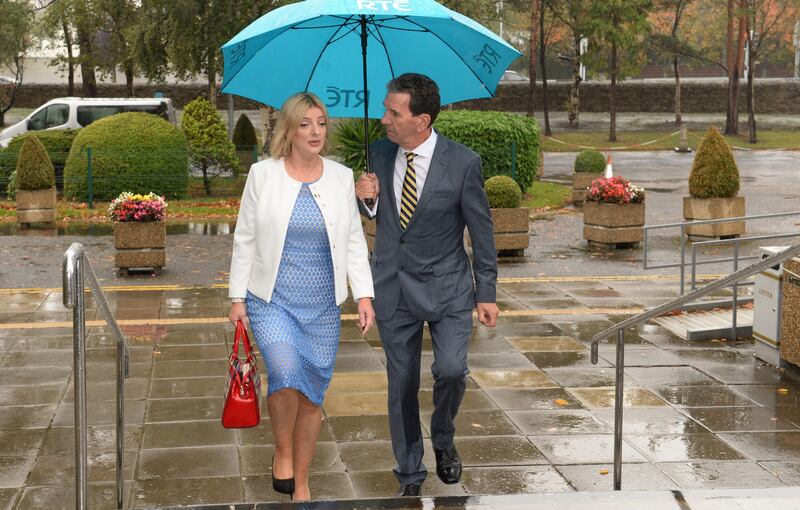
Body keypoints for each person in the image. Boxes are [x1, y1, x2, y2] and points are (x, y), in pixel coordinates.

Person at [355, 73, 499, 497]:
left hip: (449, 287)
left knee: (451, 371)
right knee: (400, 385)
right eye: (384, 109)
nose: (384, 119)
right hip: (393, 287)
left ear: (423, 119)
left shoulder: (463, 162)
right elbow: (372, 216)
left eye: (393, 112)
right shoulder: (377, 155)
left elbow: (482, 232)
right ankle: (410, 473)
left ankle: (443, 437)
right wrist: (366, 198)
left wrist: (486, 292)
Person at [228, 92, 375, 501]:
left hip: (324, 304)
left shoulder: (342, 177)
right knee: (285, 370)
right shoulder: (263, 174)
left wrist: (363, 295)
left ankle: (304, 481)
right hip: (271, 298)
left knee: (312, 393)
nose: (315, 131)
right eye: (306, 123)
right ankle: (281, 448)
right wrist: (237, 299)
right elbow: (245, 238)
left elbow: (351, 240)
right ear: (289, 130)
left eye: (322, 123)